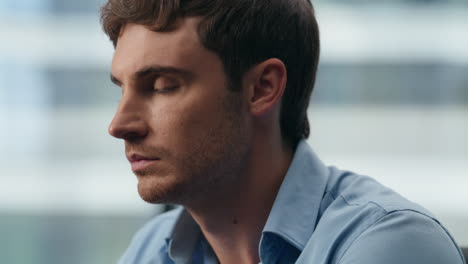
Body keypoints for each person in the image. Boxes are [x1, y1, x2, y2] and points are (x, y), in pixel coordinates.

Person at [100, 0, 466, 263]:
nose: (120, 125)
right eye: (122, 88)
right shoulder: (153, 248)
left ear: (262, 88)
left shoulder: (391, 246)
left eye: (163, 85)